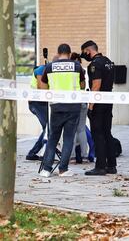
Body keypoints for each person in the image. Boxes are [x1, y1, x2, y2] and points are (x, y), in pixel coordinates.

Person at [39, 44, 85, 177]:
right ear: (70, 54)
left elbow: (43, 85)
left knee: (53, 138)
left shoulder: (50, 67)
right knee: (68, 138)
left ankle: (46, 169)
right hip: (73, 106)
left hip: (56, 106)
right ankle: (63, 169)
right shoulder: (77, 66)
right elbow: (82, 85)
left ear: (58, 54)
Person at [81, 40, 116, 176]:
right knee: (107, 133)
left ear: (88, 51)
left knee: (98, 134)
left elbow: (96, 85)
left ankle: (100, 166)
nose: (84, 55)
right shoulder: (108, 61)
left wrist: (91, 107)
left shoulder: (95, 65)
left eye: (84, 53)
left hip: (99, 103)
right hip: (109, 101)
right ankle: (111, 165)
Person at [26, 61, 48, 161]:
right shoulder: (40, 70)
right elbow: (41, 88)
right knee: (48, 127)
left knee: (48, 128)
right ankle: (38, 152)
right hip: (36, 103)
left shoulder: (46, 69)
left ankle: (34, 153)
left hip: (42, 103)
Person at [70, 52, 89, 163]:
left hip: (72, 102)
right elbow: (83, 86)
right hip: (82, 101)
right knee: (81, 129)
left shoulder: (69, 71)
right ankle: (85, 156)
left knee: (72, 130)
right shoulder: (82, 70)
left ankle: (72, 157)